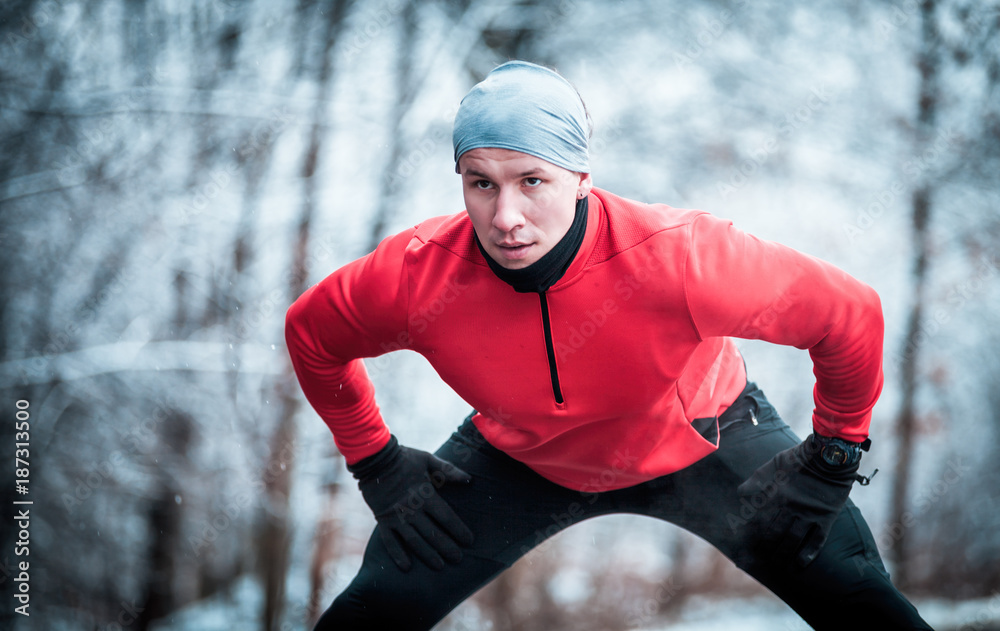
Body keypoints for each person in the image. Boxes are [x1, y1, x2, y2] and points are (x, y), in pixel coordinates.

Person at [285, 60, 933, 630]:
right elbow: (311, 335)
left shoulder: (682, 258)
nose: (505, 215)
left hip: (705, 439)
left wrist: (833, 454)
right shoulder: (417, 277)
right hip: (521, 460)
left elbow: (850, 315)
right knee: (369, 615)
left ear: (581, 178)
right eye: (481, 182)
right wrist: (376, 460)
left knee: (860, 602)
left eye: (531, 180)